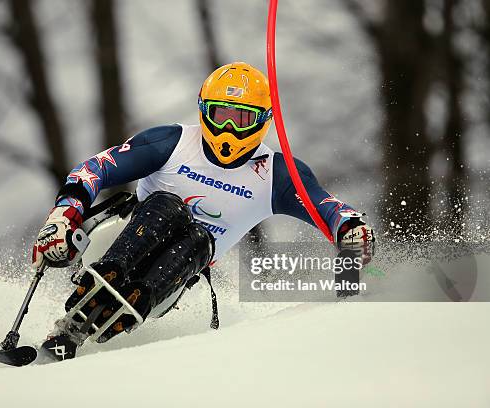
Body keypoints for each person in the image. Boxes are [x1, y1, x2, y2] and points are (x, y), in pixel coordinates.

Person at [32, 62, 375, 348]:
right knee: (168, 205)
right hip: (118, 243)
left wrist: (350, 230)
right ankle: (83, 308)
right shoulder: (171, 141)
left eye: (242, 120)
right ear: (203, 110)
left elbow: (328, 209)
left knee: (199, 239)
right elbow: (95, 169)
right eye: (221, 115)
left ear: (263, 121)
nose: (228, 130)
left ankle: (118, 315)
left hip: (169, 279)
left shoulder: (277, 174)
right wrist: (64, 215)